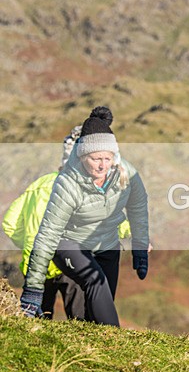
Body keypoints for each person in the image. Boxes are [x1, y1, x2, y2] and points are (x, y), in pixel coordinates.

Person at [19, 107, 150, 325]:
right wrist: (33, 288)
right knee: (95, 280)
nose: (102, 165)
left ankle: (94, 350)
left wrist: (140, 247)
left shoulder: (126, 174)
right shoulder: (67, 184)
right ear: (82, 156)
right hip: (69, 243)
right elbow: (47, 234)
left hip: (107, 245)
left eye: (107, 158)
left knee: (102, 303)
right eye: (96, 158)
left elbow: (138, 207)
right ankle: (114, 342)